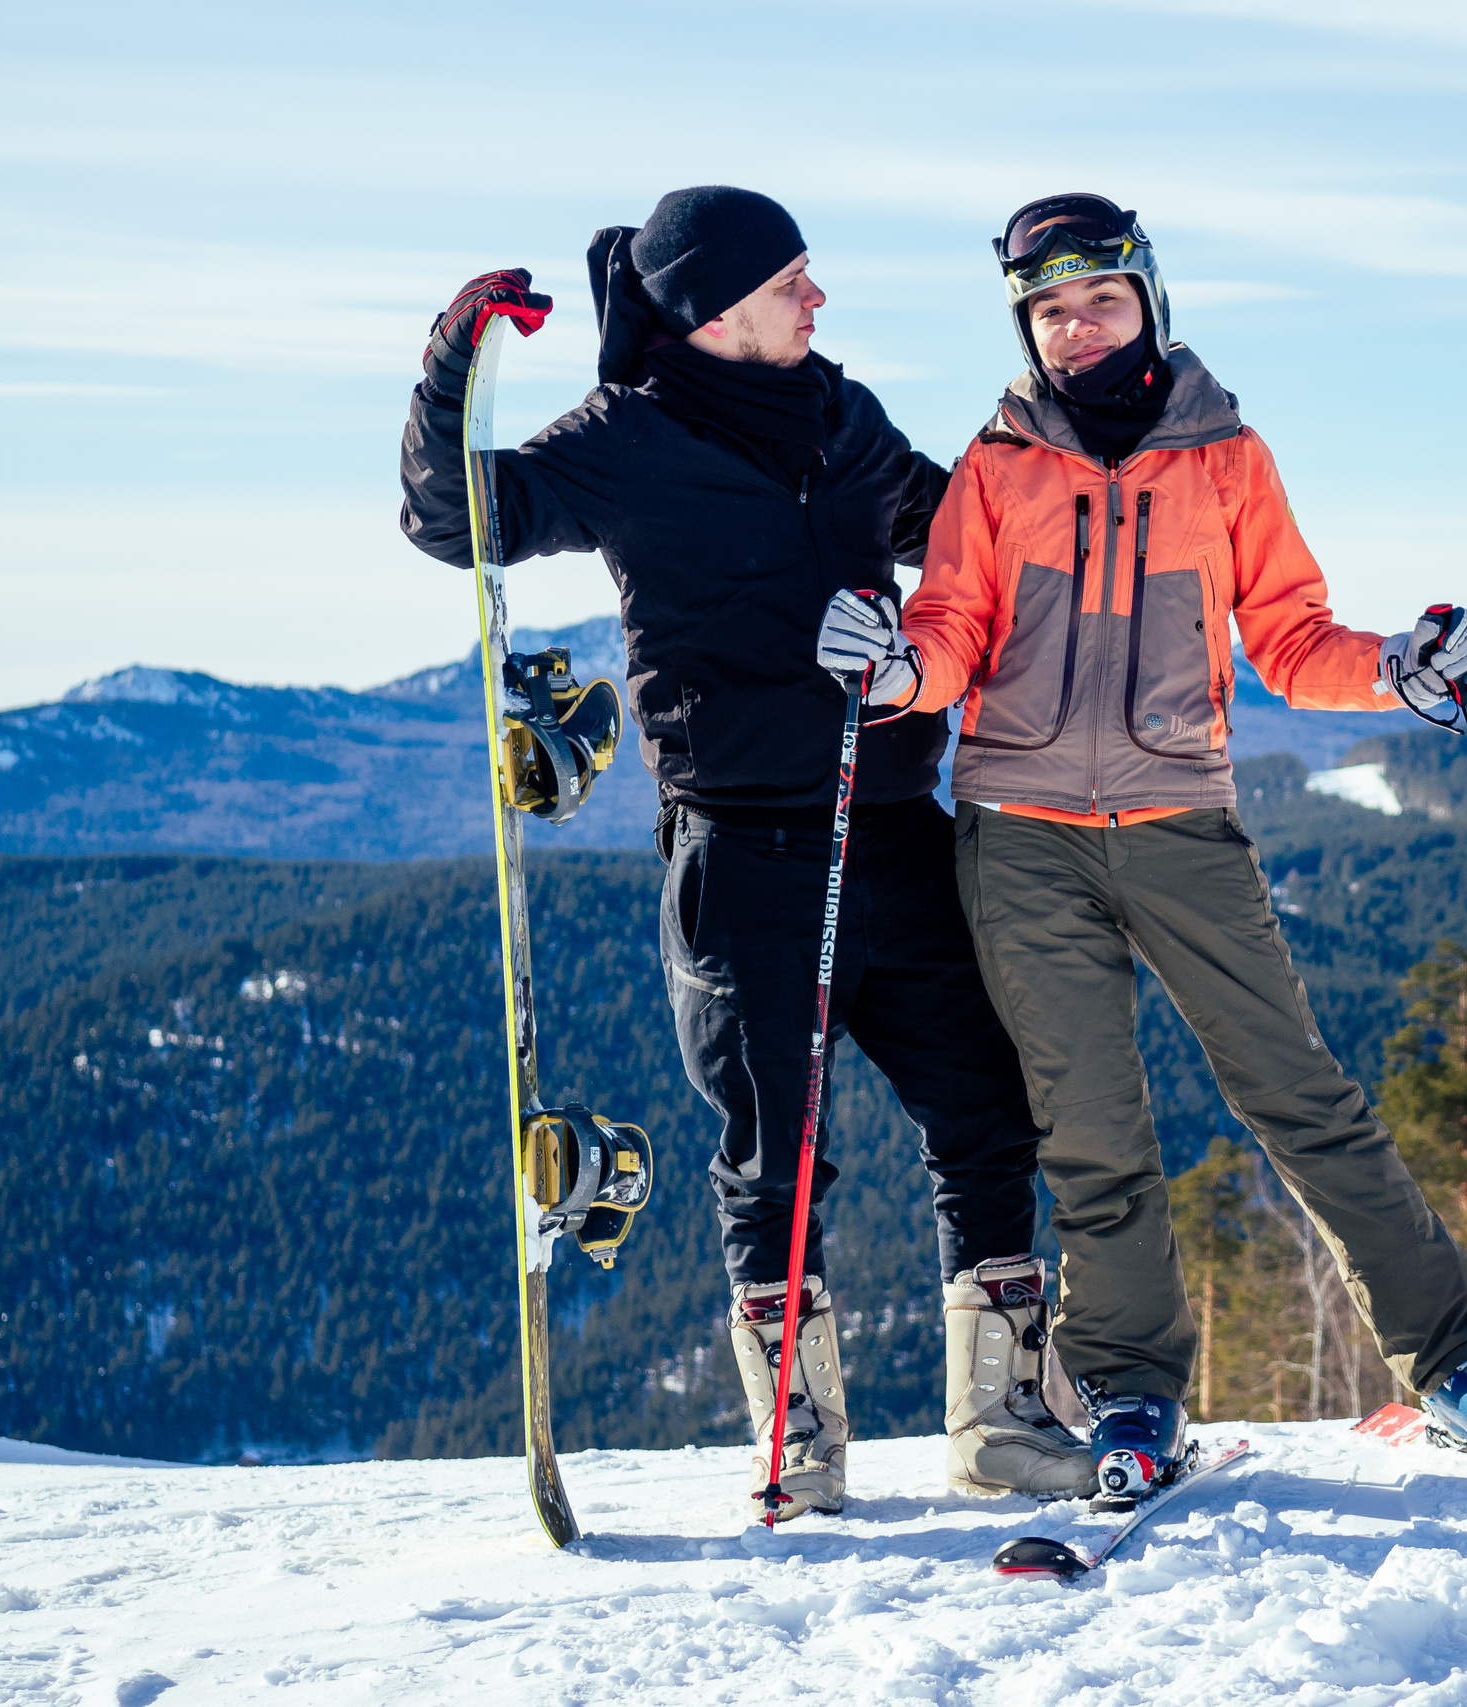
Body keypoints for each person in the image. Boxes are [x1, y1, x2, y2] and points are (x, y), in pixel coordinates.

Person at [817, 193, 1467, 1498]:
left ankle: (1462, 1359)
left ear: (1148, 301)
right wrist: (896, 672)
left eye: (1100, 300)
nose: (1076, 327)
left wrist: (1398, 667)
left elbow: (1290, 636)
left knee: (1300, 1093)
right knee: (1090, 1127)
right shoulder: (997, 466)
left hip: (1182, 820)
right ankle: (1130, 1387)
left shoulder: (1227, 458)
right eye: (1049, 310)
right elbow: (950, 631)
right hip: (1021, 837)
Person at [398, 186, 1093, 1519]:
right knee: (777, 1154)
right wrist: (450, 364)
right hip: (744, 852)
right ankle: (798, 1442)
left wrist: (1070, 470)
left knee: (989, 1110)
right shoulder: (628, 437)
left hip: (894, 828)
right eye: (791, 283)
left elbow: (966, 532)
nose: (818, 299)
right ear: (716, 312)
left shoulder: (844, 417)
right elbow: (458, 520)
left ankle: (1003, 1425)